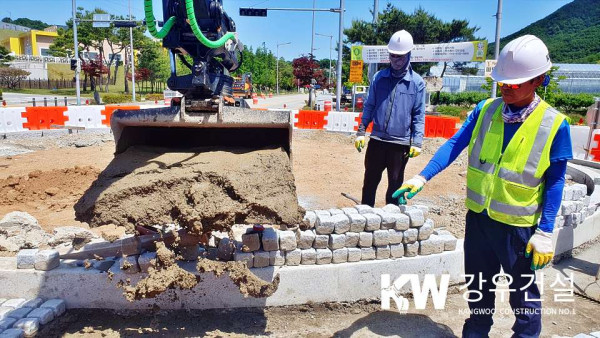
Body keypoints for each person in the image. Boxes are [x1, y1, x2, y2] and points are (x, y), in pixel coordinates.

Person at [393, 35, 573, 337]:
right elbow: (454, 145)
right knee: (478, 294)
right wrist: (420, 177)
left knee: (524, 302)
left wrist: (545, 231)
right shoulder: (486, 110)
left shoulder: (555, 125)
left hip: (519, 231)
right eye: (503, 83)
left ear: (538, 80)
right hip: (479, 221)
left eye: (515, 85)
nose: (506, 89)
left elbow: (555, 181)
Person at [354, 29, 426, 207]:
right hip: (377, 140)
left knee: (395, 186)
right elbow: (369, 105)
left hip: (399, 144)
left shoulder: (417, 83)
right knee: (369, 182)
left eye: (400, 57)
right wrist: (361, 132)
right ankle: (365, 217)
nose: (396, 60)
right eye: (392, 56)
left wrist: (416, 142)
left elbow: (418, 114)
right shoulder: (379, 78)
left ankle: (392, 224)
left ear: (409, 55)